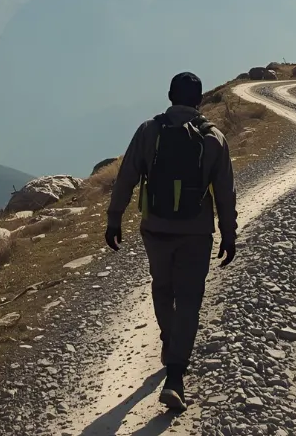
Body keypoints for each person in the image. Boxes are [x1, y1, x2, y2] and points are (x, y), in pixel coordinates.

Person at [104, 72, 238, 412]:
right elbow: (225, 193)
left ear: (169, 96)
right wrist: (229, 233)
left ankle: (168, 340)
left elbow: (126, 178)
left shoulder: (150, 131)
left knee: (162, 287)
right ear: (200, 99)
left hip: (156, 229)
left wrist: (114, 218)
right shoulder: (214, 139)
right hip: (196, 232)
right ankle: (176, 376)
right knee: (190, 298)